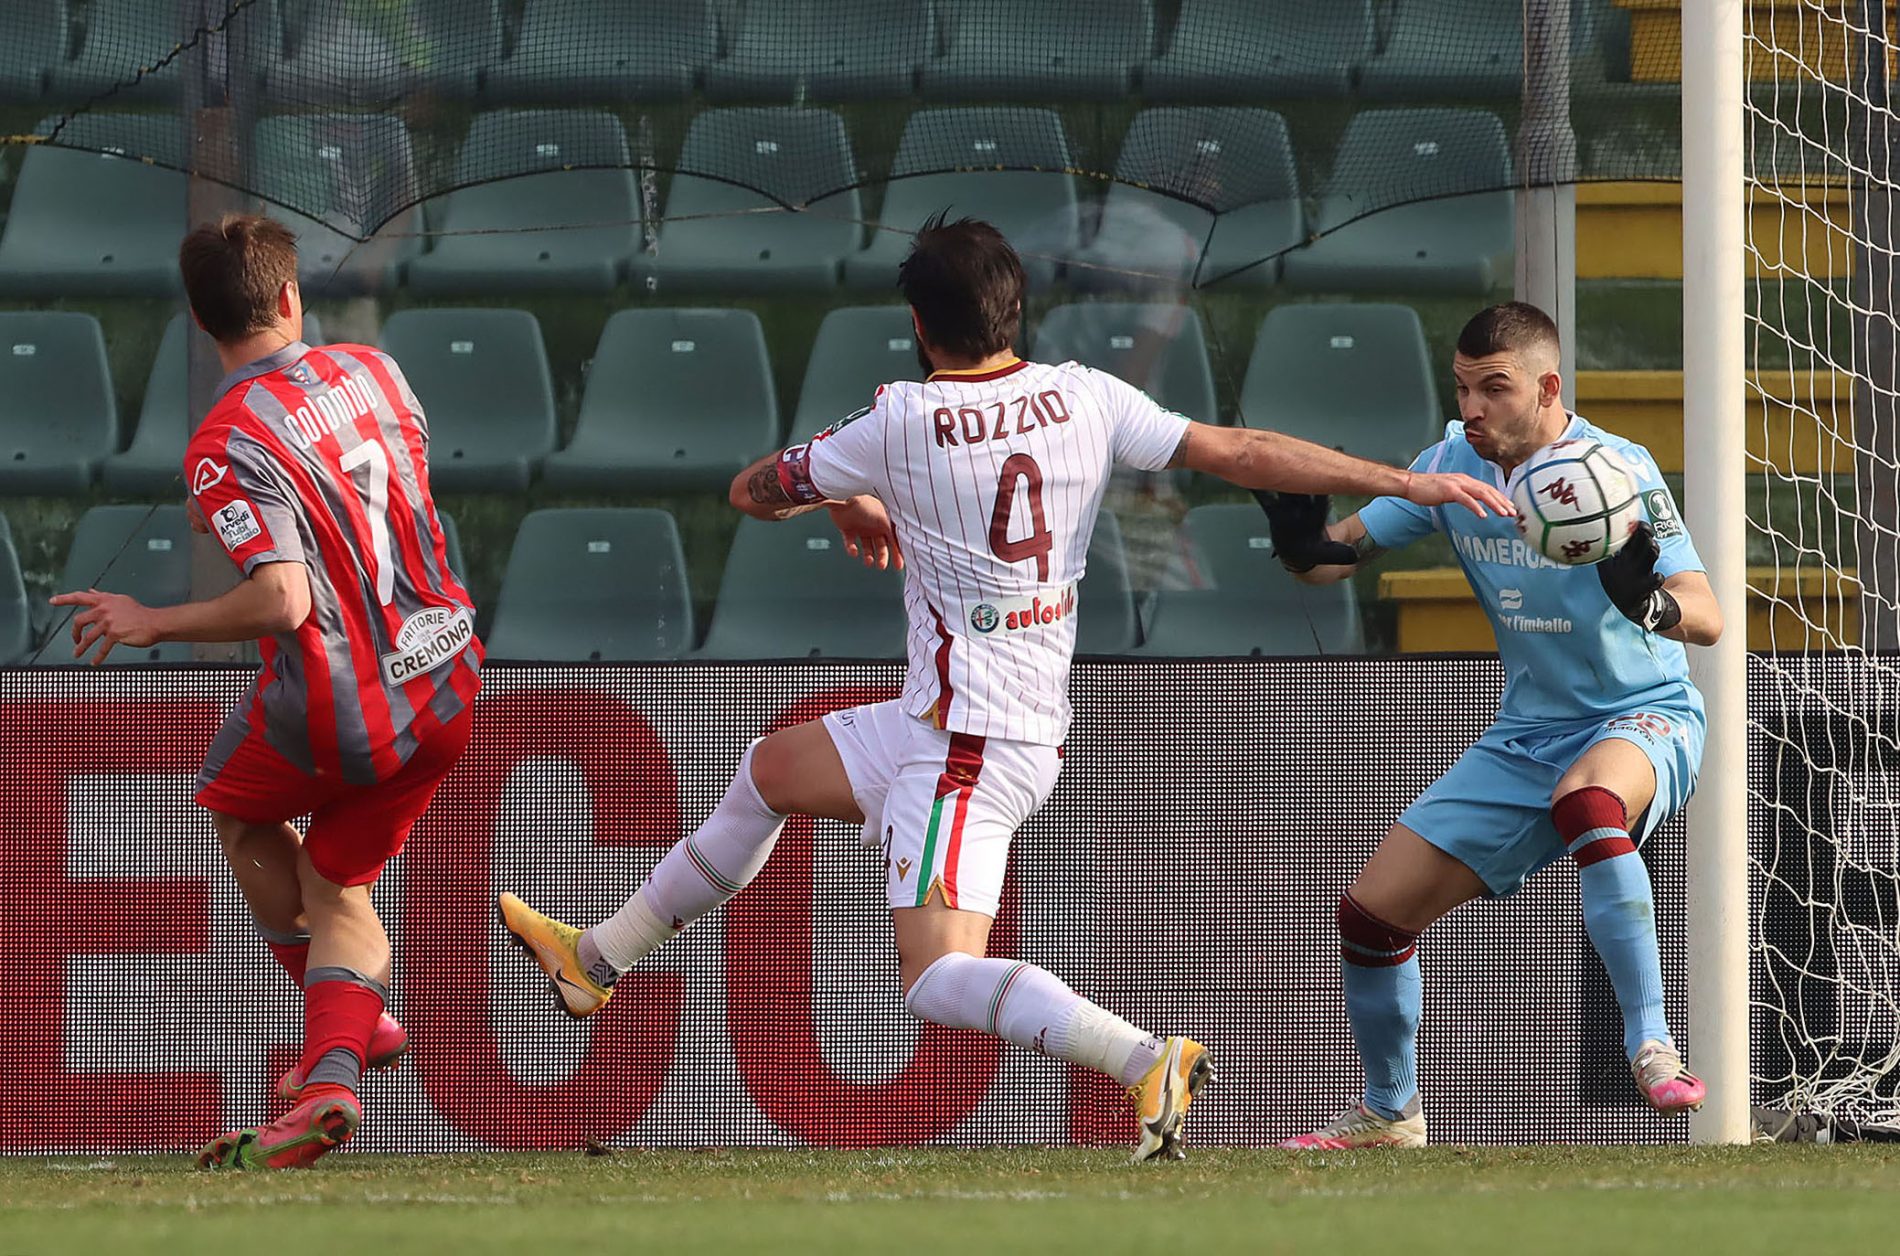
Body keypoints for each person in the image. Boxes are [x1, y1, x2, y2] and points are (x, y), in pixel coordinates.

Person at [496, 214, 1513, 1161]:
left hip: (967, 744)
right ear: (1014, 308)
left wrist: (843, 498)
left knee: (935, 978)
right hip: (960, 720)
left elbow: (752, 492)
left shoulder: (898, 420)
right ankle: (598, 958)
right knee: (769, 771)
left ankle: (1142, 1058)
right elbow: (1242, 451)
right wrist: (1406, 480)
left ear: (917, 325)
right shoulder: (1086, 396)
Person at [52, 214, 483, 1170]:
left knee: (236, 810)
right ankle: (344, 1041)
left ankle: (345, 1041)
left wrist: (152, 619)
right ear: (290, 296)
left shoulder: (223, 442)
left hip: (345, 702)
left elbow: (284, 598)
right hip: (449, 671)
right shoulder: (378, 370)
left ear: (200, 322)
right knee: (335, 877)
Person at [1264, 301, 1723, 1149]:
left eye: (1494, 389)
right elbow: (1333, 560)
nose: (1473, 407)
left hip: (1642, 714)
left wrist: (1649, 602)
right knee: (1370, 916)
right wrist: (1298, 543)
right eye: (1462, 388)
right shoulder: (1448, 466)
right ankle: (1390, 1113)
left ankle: (1652, 1043)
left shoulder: (1614, 472)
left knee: (1588, 803)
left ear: (1548, 388)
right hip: (1527, 736)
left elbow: (1707, 615)